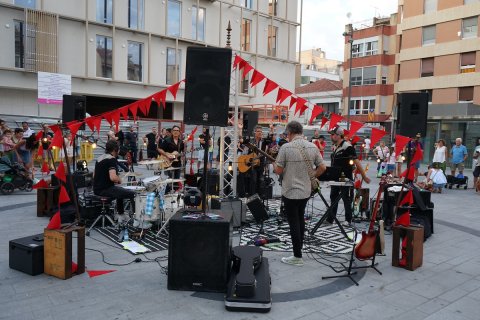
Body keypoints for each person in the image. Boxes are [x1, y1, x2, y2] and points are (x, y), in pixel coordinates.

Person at [273, 121, 326, 266]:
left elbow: (278, 170)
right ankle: (299, 250)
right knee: (300, 219)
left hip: (290, 191)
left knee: (293, 222)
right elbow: (322, 167)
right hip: (305, 191)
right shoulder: (312, 146)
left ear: (289, 133)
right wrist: (313, 176)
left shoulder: (286, 147)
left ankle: (297, 256)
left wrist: (274, 164)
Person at [327, 126, 370, 226]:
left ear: (339, 135)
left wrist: (364, 176)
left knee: (346, 198)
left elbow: (357, 162)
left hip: (345, 177)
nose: (331, 137)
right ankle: (330, 219)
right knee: (333, 197)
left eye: (332, 135)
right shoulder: (335, 147)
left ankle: (348, 219)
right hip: (335, 177)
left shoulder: (347, 146)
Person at [93, 140, 135, 222]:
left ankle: (121, 214)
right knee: (133, 194)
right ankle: (137, 219)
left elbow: (94, 176)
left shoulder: (99, 158)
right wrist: (119, 179)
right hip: (105, 189)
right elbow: (113, 178)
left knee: (119, 191)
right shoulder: (111, 159)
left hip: (96, 189)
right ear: (115, 149)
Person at [159, 125, 185, 192]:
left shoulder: (181, 142)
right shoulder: (167, 140)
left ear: (179, 132)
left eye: (177, 130)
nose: (176, 132)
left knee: (176, 180)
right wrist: (167, 155)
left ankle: (175, 195)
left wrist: (185, 146)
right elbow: (160, 149)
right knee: (169, 180)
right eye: (174, 130)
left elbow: (183, 152)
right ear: (172, 131)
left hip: (177, 163)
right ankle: (167, 193)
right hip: (168, 162)